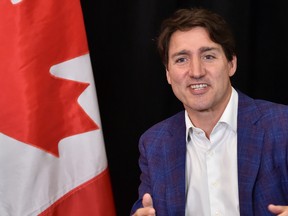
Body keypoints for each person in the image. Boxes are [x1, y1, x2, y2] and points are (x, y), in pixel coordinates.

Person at [130, 7, 288, 216]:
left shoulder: (282, 125)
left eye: (208, 56)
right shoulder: (154, 144)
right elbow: (145, 207)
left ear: (231, 63)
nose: (196, 72)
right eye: (181, 59)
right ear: (168, 73)